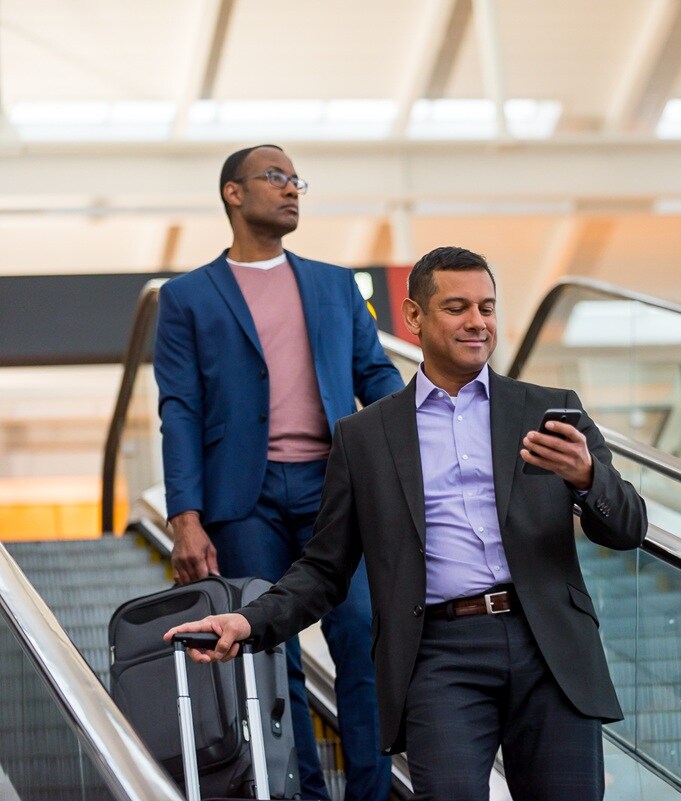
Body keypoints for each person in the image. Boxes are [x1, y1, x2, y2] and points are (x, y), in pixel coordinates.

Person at [166, 245, 648, 801]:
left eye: (487, 308)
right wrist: (251, 623)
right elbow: (325, 568)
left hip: (550, 650)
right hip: (439, 657)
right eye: (457, 307)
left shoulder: (548, 409)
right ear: (414, 316)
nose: (477, 322)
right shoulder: (366, 437)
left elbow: (628, 527)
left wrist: (588, 478)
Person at [154, 144, 401, 801]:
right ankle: (306, 792)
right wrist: (186, 517)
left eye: (297, 180)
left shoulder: (334, 283)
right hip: (244, 497)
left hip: (335, 488)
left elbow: (374, 375)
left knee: (362, 636)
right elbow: (178, 408)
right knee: (269, 652)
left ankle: (372, 793)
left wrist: (426, 434)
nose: (292, 189)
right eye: (276, 177)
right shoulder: (185, 298)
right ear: (233, 193)